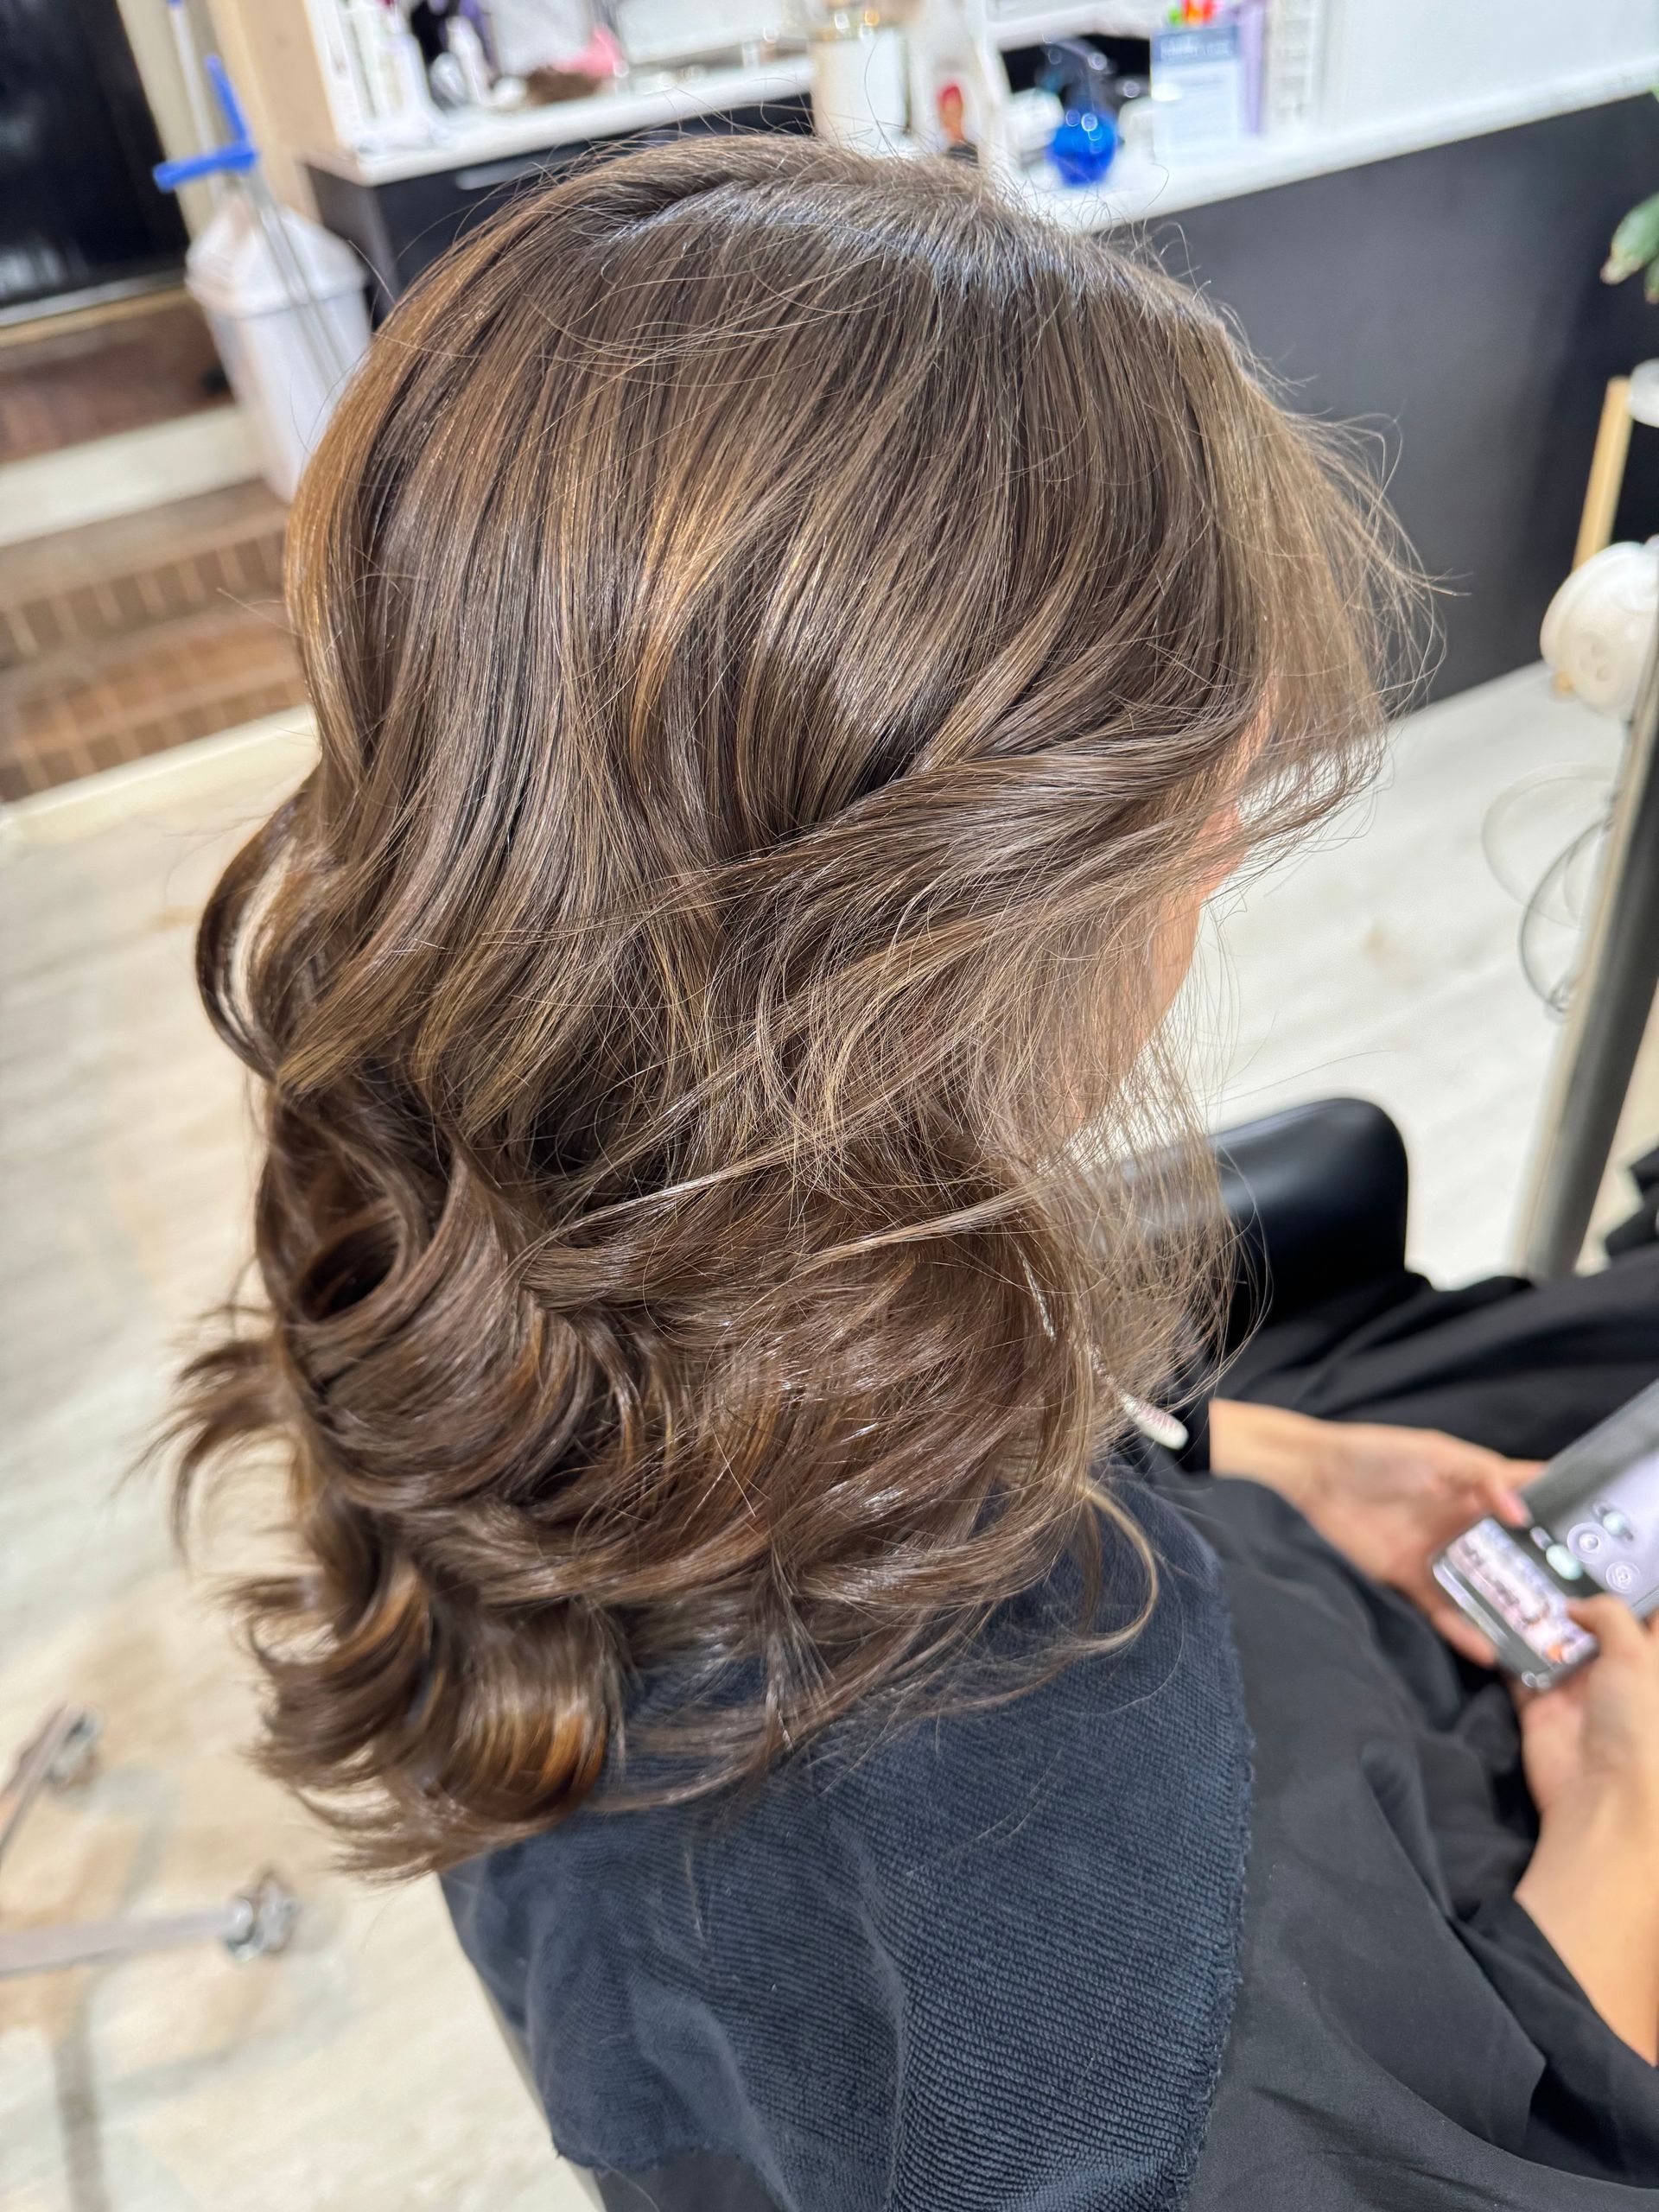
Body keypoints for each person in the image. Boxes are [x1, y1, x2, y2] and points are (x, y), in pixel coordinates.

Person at [168, 137, 1659, 2207]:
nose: (1215, 872)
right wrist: (1625, 1880)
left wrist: (1231, 1450)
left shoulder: (442, 1229)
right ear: (993, 932)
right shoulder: (1158, 2056)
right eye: (1209, 824)